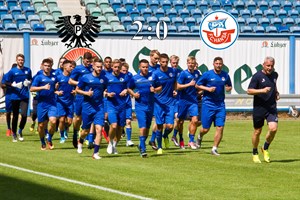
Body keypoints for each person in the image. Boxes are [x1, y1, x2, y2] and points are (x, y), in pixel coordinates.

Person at [196, 57, 232, 156]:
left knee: (220, 127)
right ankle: (199, 136)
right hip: (208, 104)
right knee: (205, 128)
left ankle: (214, 148)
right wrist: (207, 89)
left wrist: (228, 88)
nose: (218, 65)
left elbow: (229, 85)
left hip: (220, 105)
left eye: (220, 63)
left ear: (222, 64)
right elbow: (197, 85)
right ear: (213, 64)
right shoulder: (207, 74)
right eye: (217, 63)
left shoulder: (225, 75)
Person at [247, 56, 279, 163]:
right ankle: (255, 152)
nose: (270, 68)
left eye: (272, 66)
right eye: (268, 66)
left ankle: (265, 148)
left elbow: (274, 85)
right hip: (259, 108)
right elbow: (249, 91)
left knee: (273, 128)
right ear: (263, 65)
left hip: (271, 108)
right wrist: (262, 91)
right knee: (257, 131)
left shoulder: (275, 74)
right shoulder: (257, 76)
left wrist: (276, 93)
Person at [128, 59, 162, 157]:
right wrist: (134, 94)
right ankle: (143, 149)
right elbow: (129, 88)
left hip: (151, 105)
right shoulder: (135, 78)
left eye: (146, 67)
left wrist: (154, 89)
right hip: (140, 106)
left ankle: (141, 144)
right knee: (142, 127)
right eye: (143, 67)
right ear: (139, 67)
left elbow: (160, 87)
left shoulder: (153, 76)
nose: (145, 69)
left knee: (147, 128)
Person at [76, 58, 108, 159]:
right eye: (97, 67)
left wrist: (106, 93)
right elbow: (77, 90)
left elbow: (104, 90)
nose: (99, 68)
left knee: (99, 130)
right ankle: (80, 140)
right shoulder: (85, 78)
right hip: (87, 107)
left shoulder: (104, 79)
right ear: (93, 66)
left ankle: (95, 153)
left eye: (100, 67)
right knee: (85, 130)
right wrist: (86, 93)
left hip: (99, 107)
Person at [30, 58, 57, 150]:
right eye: (45, 66)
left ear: (51, 66)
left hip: (52, 103)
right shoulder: (38, 77)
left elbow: (54, 89)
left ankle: (49, 138)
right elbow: (32, 89)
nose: (47, 67)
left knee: (53, 121)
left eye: (49, 66)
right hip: (41, 103)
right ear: (42, 66)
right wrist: (43, 87)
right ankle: (42, 142)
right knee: (41, 126)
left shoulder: (54, 77)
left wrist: (57, 91)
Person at [152, 53, 177, 154]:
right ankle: (159, 147)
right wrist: (155, 90)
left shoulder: (172, 71)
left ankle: (165, 136)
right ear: (159, 62)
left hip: (170, 103)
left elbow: (175, 82)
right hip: (159, 103)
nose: (165, 64)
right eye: (163, 62)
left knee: (170, 126)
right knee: (159, 126)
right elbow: (152, 88)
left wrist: (175, 90)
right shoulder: (156, 74)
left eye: (166, 62)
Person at [5, 54, 32, 142]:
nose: (21, 61)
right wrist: (12, 84)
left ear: (24, 61)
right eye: (19, 60)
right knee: (15, 116)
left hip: (24, 96)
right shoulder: (12, 71)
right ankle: (14, 133)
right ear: (16, 61)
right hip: (15, 96)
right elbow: (5, 81)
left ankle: (20, 130)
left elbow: (31, 80)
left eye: (22, 60)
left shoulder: (28, 70)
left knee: (24, 115)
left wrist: (28, 82)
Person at [105, 59, 129, 154]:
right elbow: (103, 90)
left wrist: (126, 91)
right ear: (112, 67)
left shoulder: (125, 77)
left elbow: (130, 88)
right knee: (113, 125)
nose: (117, 69)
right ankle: (110, 143)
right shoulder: (107, 77)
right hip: (111, 105)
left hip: (122, 105)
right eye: (115, 67)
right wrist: (107, 94)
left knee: (120, 128)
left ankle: (115, 145)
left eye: (119, 67)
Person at [69, 52, 93, 148]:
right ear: (83, 60)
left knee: (90, 117)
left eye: (89, 61)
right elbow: (70, 81)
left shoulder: (92, 68)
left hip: (90, 96)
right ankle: (75, 133)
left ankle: (88, 139)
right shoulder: (78, 69)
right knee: (78, 118)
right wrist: (81, 83)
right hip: (80, 96)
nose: (88, 63)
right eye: (87, 61)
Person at [176, 56, 200, 149]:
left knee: (195, 120)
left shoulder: (197, 73)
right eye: (189, 63)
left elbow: (198, 85)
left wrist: (200, 90)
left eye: (192, 63)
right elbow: (178, 87)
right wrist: (189, 84)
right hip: (183, 100)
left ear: (195, 64)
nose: (191, 65)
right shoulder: (183, 74)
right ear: (187, 64)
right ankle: (181, 138)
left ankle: (191, 141)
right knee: (180, 122)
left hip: (193, 100)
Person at [56, 60, 75, 143]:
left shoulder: (73, 78)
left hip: (70, 102)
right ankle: (62, 135)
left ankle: (65, 129)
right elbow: (53, 88)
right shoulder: (59, 77)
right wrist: (57, 91)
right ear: (65, 67)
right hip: (60, 102)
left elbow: (78, 87)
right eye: (70, 66)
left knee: (70, 122)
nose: (72, 68)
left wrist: (75, 91)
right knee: (62, 119)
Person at [169, 55, 182, 147]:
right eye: (173, 63)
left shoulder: (180, 73)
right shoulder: (167, 72)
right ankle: (164, 136)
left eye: (176, 63)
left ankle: (174, 136)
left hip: (177, 100)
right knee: (166, 124)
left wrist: (177, 91)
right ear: (170, 62)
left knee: (178, 119)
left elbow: (181, 85)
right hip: (167, 100)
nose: (175, 64)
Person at [120, 62, 134, 147]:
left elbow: (132, 87)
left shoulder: (129, 76)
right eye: (123, 70)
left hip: (127, 102)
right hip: (118, 103)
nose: (125, 72)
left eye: (126, 70)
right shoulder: (116, 78)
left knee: (128, 121)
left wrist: (128, 91)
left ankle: (128, 140)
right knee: (119, 124)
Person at [1, 63, 17, 137]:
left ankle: (14, 130)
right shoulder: (7, 75)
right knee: (8, 112)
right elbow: (2, 84)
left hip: (17, 96)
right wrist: (10, 84)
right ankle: (8, 128)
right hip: (9, 96)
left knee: (15, 113)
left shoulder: (19, 75)